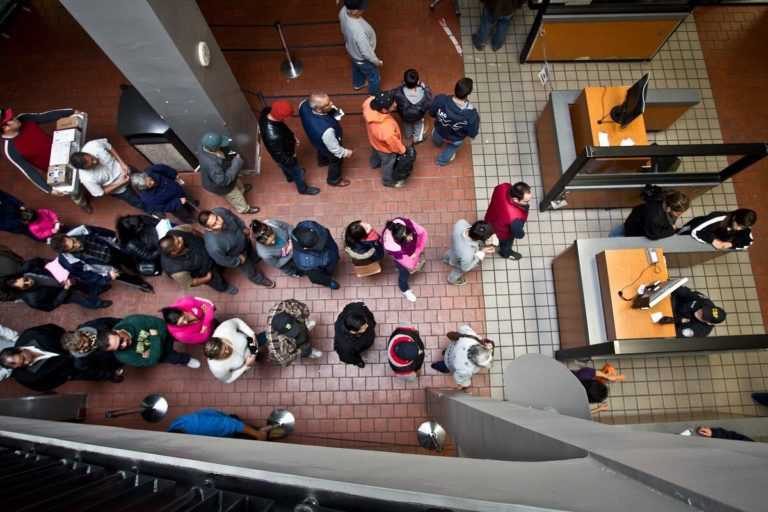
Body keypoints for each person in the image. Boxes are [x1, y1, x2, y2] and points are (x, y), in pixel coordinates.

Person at [1, 106, 91, 212]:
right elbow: (28, 171)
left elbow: (45, 116)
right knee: (75, 190)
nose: (15, 118)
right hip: (57, 168)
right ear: (5, 128)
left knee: (87, 162)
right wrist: (48, 189)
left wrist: (70, 112)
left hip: (66, 148)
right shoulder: (10, 150)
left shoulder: (24, 118)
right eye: (10, 119)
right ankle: (82, 202)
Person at [0, 323, 122, 391]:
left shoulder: (32, 335)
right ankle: (111, 374)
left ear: (20, 348)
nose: (27, 362)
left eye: (24, 358)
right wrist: (65, 376)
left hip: (74, 346)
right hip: (70, 371)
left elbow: (52, 328)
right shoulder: (26, 377)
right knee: (92, 372)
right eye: (23, 365)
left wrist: (67, 339)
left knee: (99, 353)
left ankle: (117, 355)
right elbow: (43, 386)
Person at [50, 225, 154, 293]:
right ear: (66, 251)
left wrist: (114, 237)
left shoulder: (81, 230)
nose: (77, 243)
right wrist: (108, 277)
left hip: (112, 249)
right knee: (123, 276)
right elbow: (88, 276)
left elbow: (99, 231)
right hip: (107, 266)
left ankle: (137, 269)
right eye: (73, 247)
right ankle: (140, 283)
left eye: (73, 240)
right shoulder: (70, 263)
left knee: (128, 259)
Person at [198, 208, 275, 288]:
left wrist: (243, 227)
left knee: (252, 253)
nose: (220, 222)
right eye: (214, 224)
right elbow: (223, 260)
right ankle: (260, 279)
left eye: (217, 218)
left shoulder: (220, 211)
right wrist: (238, 260)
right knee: (250, 271)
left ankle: (255, 258)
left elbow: (235, 218)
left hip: (245, 241)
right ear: (208, 228)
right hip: (239, 256)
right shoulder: (213, 246)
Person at [258, 100, 320, 196]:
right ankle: (303, 189)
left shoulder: (267, 112)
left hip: (282, 152)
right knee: (296, 171)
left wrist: (292, 136)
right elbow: (282, 158)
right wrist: (292, 157)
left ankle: (289, 177)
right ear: (280, 117)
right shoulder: (273, 136)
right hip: (285, 156)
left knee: (284, 167)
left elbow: (282, 128)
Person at [1, 257, 112, 311]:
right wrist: (66, 289)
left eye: (25, 279)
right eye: (26, 285)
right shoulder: (33, 300)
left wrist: (53, 266)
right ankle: (98, 304)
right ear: (22, 291)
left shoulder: (28, 267)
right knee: (81, 298)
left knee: (81, 284)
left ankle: (97, 290)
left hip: (61, 277)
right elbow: (52, 305)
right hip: (62, 293)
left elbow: (40, 260)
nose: (29, 281)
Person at [99, 314, 200, 369]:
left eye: (121, 340)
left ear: (116, 331)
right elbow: (151, 361)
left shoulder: (133, 321)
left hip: (168, 336)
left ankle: (195, 339)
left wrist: (151, 350)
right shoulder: (122, 356)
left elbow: (161, 325)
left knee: (184, 336)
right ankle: (186, 360)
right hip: (163, 354)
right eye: (119, 348)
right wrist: (155, 336)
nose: (124, 344)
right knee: (176, 358)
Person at [69, 139, 145, 210]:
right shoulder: (86, 179)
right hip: (120, 190)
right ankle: (151, 211)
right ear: (84, 169)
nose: (95, 162)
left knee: (146, 181)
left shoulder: (93, 145)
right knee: (138, 203)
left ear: (87, 153)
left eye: (92, 158)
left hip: (126, 169)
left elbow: (109, 147)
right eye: (91, 165)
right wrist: (120, 182)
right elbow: (101, 193)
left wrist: (122, 163)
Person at [159, 227, 239, 295]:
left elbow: (193, 231)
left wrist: (206, 239)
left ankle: (222, 268)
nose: (181, 238)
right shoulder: (176, 270)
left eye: (177, 238)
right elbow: (191, 283)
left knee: (220, 265)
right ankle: (225, 288)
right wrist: (207, 278)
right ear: (174, 252)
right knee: (217, 281)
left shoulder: (177, 230)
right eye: (179, 243)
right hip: (206, 271)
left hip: (210, 254)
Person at [198, 132, 259, 215]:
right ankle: (244, 209)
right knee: (235, 196)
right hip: (221, 185)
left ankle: (242, 190)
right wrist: (236, 162)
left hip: (224, 171)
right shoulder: (212, 165)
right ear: (214, 148)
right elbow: (224, 181)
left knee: (236, 181)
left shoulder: (204, 146)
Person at [298, 93, 352, 188]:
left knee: (321, 149)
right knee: (336, 160)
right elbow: (335, 149)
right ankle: (334, 180)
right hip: (327, 142)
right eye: (327, 104)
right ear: (318, 109)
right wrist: (345, 152)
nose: (331, 104)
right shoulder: (327, 131)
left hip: (315, 139)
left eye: (329, 101)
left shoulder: (303, 105)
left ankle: (322, 161)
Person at [430, 78, 480, 166]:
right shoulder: (472, 115)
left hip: (439, 130)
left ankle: (437, 143)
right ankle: (441, 161)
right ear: (468, 94)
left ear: (455, 88)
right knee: (451, 149)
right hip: (456, 138)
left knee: (437, 137)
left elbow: (432, 112)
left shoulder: (441, 99)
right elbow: (472, 133)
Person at [362, 91, 407, 187]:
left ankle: (374, 163)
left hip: (374, 141)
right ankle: (387, 181)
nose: (395, 104)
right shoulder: (385, 128)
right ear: (384, 110)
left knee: (375, 152)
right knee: (388, 163)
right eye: (392, 104)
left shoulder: (368, 103)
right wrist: (402, 150)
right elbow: (393, 143)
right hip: (386, 149)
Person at [60, 317, 125, 381]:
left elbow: (112, 321)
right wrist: (112, 375)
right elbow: (96, 373)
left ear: (81, 334)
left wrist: (127, 327)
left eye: (84, 341)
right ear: (76, 350)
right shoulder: (80, 362)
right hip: (117, 360)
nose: (86, 345)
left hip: (122, 339)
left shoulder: (93, 325)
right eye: (81, 347)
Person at [260, 299, 321, 367]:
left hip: (296, 321)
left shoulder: (283, 306)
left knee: (302, 326)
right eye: (291, 332)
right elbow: (285, 361)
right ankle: (309, 352)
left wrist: (304, 316)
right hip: (292, 343)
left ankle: (306, 325)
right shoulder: (277, 346)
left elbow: (303, 307)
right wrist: (299, 352)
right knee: (304, 348)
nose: (296, 332)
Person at [431, 325, 494, 389]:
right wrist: (465, 386)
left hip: (450, 349)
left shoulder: (471, 337)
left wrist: (480, 340)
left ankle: (442, 355)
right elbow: (459, 379)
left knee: (445, 352)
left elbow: (462, 328)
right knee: (441, 366)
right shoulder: (466, 370)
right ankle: (434, 366)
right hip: (447, 364)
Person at [339, 0, 382, 95]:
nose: (363, 10)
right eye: (361, 8)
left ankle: (358, 84)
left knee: (356, 67)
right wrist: (377, 62)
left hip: (352, 51)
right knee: (374, 77)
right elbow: (366, 53)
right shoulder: (358, 31)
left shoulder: (343, 11)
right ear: (354, 11)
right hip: (363, 59)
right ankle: (375, 96)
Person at [130, 164, 197, 224]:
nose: (152, 182)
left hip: (177, 190)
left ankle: (191, 207)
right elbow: (164, 208)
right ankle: (188, 219)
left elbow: (164, 168)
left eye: (150, 179)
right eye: (149, 184)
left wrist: (174, 174)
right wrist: (178, 202)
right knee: (182, 213)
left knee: (187, 199)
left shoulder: (150, 171)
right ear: (144, 188)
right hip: (175, 205)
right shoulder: (148, 198)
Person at [382, 217, 428, 302]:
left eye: (410, 234)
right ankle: (405, 289)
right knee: (404, 274)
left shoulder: (406, 224)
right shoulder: (393, 247)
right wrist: (416, 255)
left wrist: (418, 249)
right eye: (407, 239)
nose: (411, 238)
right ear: (399, 241)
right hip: (402, 260)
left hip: (409, 254)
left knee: (401, 266)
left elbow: (423, 233)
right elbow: (409, 264)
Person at [620, 185, 690, 239]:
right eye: (678, 213)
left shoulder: (665, 197)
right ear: (668, 209)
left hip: (639, 216)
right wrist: (671, 229)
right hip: (635, 229)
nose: (679, 215)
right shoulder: (655, 218)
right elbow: (653, 235)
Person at [484, 181, 532, 260]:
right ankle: (506, 253)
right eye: (526, 201)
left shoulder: (503, 187)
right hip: (502, 233)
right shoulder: (516, 217)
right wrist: (522, 234)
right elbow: (518, 234)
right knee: (506, 245)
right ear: (515, 199)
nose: (527, 203)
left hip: (490, 218)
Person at [656, 286, 727, 338]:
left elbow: (673, 333)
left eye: (703, 316)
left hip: (665, 321)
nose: (700, 312)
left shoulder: (699, 331)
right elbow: (686, 293)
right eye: (704, 310)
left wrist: (673, 320)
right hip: (668, 302)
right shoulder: (705, 302)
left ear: (709, 323)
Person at [204, 318, 259, 384]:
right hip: (246, 362)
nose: (227, 352)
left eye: (225, 348)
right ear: (216, 358)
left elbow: (237, 322)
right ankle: (258, 357)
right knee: (258, 357)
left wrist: (251, 333)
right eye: (223, 355)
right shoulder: (217, 369)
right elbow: (228, 379)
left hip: (251, 342)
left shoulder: (224, 329)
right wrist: (246, 366)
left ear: (222, 340)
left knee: (267, 337)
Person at [444, 220, 496, 285]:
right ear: (479, 239)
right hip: (461, 257)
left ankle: (446, 259)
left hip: (454, 247)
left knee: (450, 254)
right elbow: (465, 268)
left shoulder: (461, 223)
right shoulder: (467, 255)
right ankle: (451, 280)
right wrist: (482, 252)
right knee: (458, 270)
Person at [291, 220, 341, 289]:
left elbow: (325, 232)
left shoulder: (309, 225)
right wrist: (327, 280)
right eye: (316, 245)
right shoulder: (303, 262)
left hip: (331, 251)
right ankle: (329, 282)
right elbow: (316, 277)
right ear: (305, 248)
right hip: (326, 264)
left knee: (334, 257)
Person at [679, 208, 756, 250]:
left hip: (702, 242)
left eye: (742, 227)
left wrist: (731, 244)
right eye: (738, 225)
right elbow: (695, 230)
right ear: (734, 217)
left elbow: (748, 241)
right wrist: (713, 240)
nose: (739, 229)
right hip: (689, 232)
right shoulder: (717, 218)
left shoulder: (744, 227)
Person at [167, 409, 271, 440]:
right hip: (215, 422)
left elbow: (232, 425)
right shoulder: (173, 428)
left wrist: (257, 434)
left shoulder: (202, 427)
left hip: (224, 425)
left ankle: (265, 432)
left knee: (253, 434)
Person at [391, 68, 433, 144]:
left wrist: (402, 85)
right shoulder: (424, 93)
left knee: (406, 124)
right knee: (418, 124)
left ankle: (408, 135)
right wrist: (425, 87)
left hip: (405, 116)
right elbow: (429, 102)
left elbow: (393, 94)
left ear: (404, 81)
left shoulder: (398, 92)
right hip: (418, 115)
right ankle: (417, 138)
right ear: (417, 81)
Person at [334, 302, 376, 368]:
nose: (367, 326)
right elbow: (347, 357)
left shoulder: (356, 308)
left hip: (367, 338)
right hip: (363, 345)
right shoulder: (345, 346)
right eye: (363, 327)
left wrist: (373, 322)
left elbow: (367, 313)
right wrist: (358, 361)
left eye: (365, 323)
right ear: (352, 331)